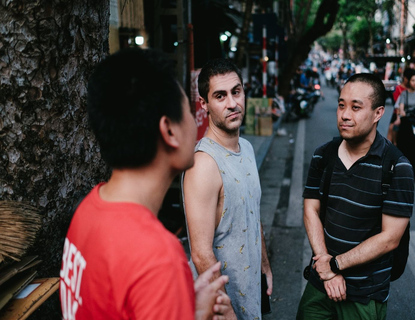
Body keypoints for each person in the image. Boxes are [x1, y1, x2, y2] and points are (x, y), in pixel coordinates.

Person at [59, 48, 233, 320]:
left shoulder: (87, 211)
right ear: (170, 131)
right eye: (188, 109)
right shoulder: (158, 258)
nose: (194, 119)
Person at [297, 73, 414, 320]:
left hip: (365, 295)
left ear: (378, 113)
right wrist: (327, 271)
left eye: (356, 107)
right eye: (341, 105)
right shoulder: (323, 155)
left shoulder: (396, 167)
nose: (345, 115)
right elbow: (311, 210)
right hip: (320, 285)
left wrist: (336, 265)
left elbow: (390, 239)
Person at [183, 58, 273, 320]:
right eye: (220, 96)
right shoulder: (203, 164)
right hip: (223, 309)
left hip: (252, 291)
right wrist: (228, 313)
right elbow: (201, 254)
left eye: (236, 91)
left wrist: (264, 267)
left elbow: (252, 215)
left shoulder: (246, 148)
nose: (232, 103)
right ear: (204, 104)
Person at [386, 68, 415, 145]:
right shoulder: (398, 89)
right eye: (410, 79)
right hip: (398, 114)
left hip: (412, 115)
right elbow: (397, 104)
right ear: (405, 78)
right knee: (392, 128)